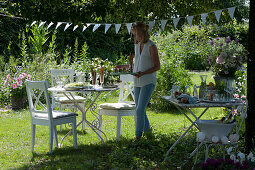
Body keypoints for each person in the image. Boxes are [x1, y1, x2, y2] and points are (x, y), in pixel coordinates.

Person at [131, 21, 160, 139]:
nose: (135, 36)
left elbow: (157, 66)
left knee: (139, 110)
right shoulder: (137, 45)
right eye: (134, 34)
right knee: (140, 110)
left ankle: (138, 137)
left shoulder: (151, 46)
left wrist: (143, 73)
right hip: (137, 81)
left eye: (136, 34)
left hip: (148, 81)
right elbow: (138, 63)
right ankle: (149, 135)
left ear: (142, 33)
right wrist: (130, 68)